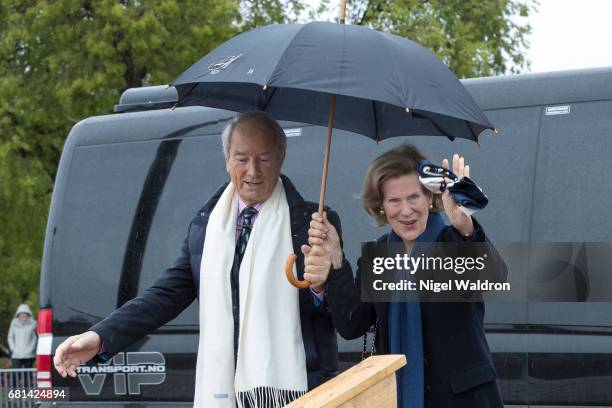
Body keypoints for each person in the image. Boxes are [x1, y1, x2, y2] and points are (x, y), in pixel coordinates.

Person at [53, 111, 341, 408]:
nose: (253, 171)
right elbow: (165, 295)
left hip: (301, 391)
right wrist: (99, 337)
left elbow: (342, 314)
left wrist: (322, 285)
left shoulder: (315, 223)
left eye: (264, 159)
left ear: (281, 157)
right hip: (224, 391)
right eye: (242, 159)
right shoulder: (207, 225)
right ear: (227, 160)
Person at [308, 144, 508, 408]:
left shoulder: (453, 242)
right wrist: (335, 258)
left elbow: (494, 275)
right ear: (381, 206)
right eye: (394, 200)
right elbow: (351, 324)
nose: (405, 211)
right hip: (397, 397)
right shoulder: (379, 254)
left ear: (429, 198)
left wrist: (464, 224)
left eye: (414, 197)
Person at [8, 304, 38, 370]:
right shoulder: (14, 323)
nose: (23, 315)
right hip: (16, 355)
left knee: (27, 375)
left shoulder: (34, 323)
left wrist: (30, 349)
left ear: (28, 314)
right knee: (15, 375)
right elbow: (10, 337)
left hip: (29, 355)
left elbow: (35, 338)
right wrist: (13, 348)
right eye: (21, 313)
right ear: (18, 314)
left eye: (25, 313)